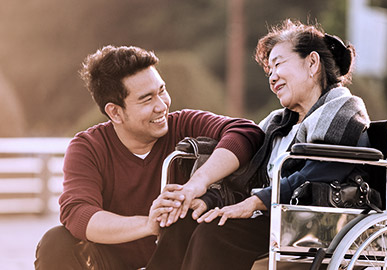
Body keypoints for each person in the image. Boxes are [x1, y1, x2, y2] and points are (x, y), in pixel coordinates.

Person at [148, 19, 371, 270]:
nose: (272, 77)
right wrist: (209, 201)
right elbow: (243, 178)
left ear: (312, 63)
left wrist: (255, 202)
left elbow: (321, 172)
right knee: (185, 221)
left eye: (278, 64)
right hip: (269, 216)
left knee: (216, 234)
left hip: (309, 219)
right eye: (269, 72)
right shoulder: (277, 124)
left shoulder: (344, 113)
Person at [34, 45, 264, 270]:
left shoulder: (184, 124)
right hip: (112, 258)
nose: (161, 105)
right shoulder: (88, 147)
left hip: (181, 258)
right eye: (147, 99)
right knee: (55, 242)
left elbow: (246, 131)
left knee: (185, 221)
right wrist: (148, 224)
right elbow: (78, 213)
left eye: (161, 90)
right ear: (115, 112)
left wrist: (197, 183)